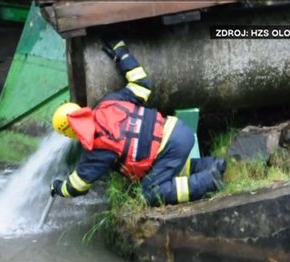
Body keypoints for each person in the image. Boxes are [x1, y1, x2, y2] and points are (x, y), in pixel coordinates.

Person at [50, 38, 226, 206]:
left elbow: (77, 186)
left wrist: (57, 187)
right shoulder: (108, 104)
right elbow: (142, 84)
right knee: (173, 170)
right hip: (176, 129)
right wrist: (121, 53)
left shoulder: (97, 147)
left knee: (151, 192)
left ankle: (210, 181)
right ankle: (218, 165)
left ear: (68, 131)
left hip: (168, 147)